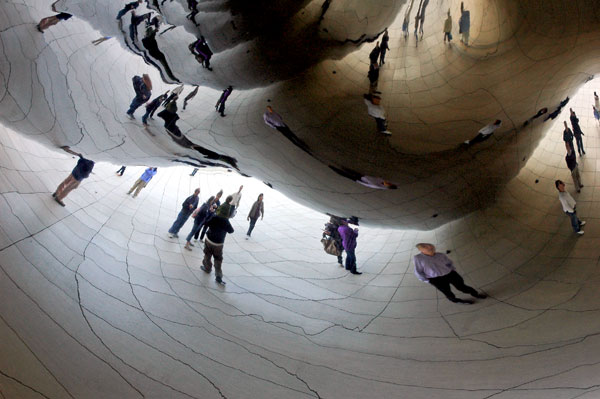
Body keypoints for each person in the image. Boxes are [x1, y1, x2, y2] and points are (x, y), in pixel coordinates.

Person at [414, 243, 487, 304]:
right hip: (436, 279)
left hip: (450, 274)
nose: (430, 247)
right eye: (425, 247)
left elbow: (449, 263)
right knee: (447, 291)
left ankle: (475, 294)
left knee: (462, 286)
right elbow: (418, 271)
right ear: (420, 250)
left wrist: (452, 270)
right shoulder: (418, 258)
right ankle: (456, 301)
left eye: (430, 246)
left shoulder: (440, 255)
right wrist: (427, 280)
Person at [201, 205, 234, 285]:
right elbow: (231, 231)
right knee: (218, 260)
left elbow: (205, 223)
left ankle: (207, 268)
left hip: (209, 240)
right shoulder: (226, 221)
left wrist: (211, 214)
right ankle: (218, 276)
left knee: (207, 255)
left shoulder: (215, 217)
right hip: (218, 244)